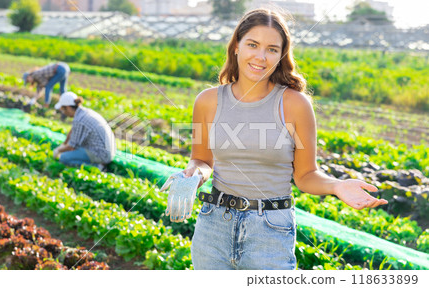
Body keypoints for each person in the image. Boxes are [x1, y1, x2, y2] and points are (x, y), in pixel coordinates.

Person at [160, 8, 388, 270]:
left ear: (281, 56)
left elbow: (305, 175)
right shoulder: (208, 101)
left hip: (269, 230)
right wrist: (194, 174)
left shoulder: (294, 104)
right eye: (253, 45)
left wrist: (336, 186)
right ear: (236, 46)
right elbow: (201, 159)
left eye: (271, 49)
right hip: (214, 227)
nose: (260, 56)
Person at [52, 92, 116, 171]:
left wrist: (58, 151)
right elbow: (72, 131)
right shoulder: (83, 112)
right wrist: (64, 144)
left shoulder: (79, 120)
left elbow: (72, 147)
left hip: (101, 154)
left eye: (63, 109)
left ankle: (97, 167)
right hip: (108, 151)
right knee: (73, 150)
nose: (63, 112)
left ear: (68, 107)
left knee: (64, 158)